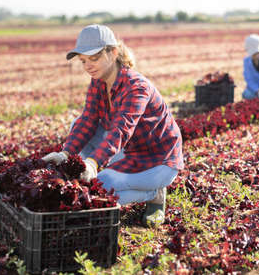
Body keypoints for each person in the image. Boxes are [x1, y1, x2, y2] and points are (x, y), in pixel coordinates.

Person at [42, 24, 184, 227]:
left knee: (101, 187)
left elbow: (121, 130)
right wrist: (65, 154)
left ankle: (154, 193)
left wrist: (93, 162)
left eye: (94, 58)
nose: (88, 66)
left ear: (113, 52)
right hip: (131, 149)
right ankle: (101, 172)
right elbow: (88, 120)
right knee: (77, 125)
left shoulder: (136, 87)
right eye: (83, 61)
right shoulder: (98, 81)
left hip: (157, 160)